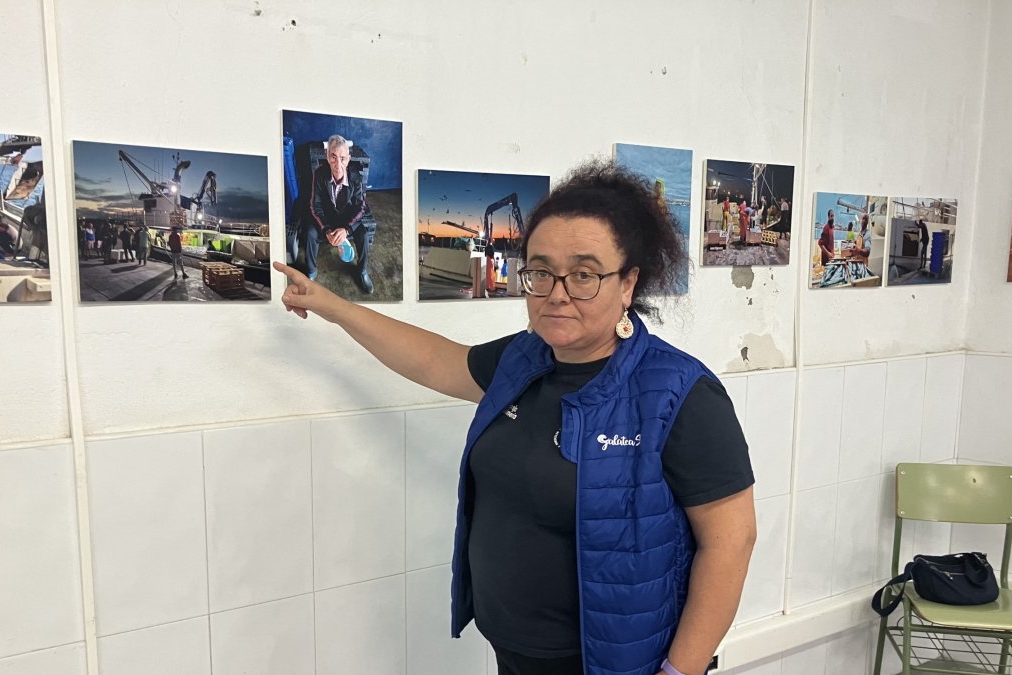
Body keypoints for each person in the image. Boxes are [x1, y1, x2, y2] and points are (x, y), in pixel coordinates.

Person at [274, 160, 756, 675]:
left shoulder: (680, 394)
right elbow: (435, 360)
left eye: (585, 274)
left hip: (609, 665)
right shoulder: (523, 360)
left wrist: (680, 671)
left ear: (628, 283)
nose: (557, 293)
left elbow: (731, 541)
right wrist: (334, 307)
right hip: (514, 653)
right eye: (542, 271)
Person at [300, 135, 376, 294]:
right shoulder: (319, 174)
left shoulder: (356, 176)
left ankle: (362, 271)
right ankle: (311, 271)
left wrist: (347, 229)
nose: (338, 164)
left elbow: (361, 207)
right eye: (333, 157)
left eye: (342, 158)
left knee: (362, 233)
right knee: (310, 232)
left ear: (348, 159)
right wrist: (326, 229)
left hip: (347, 219)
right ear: (327, 157)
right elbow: (315, 205)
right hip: (327, 218)